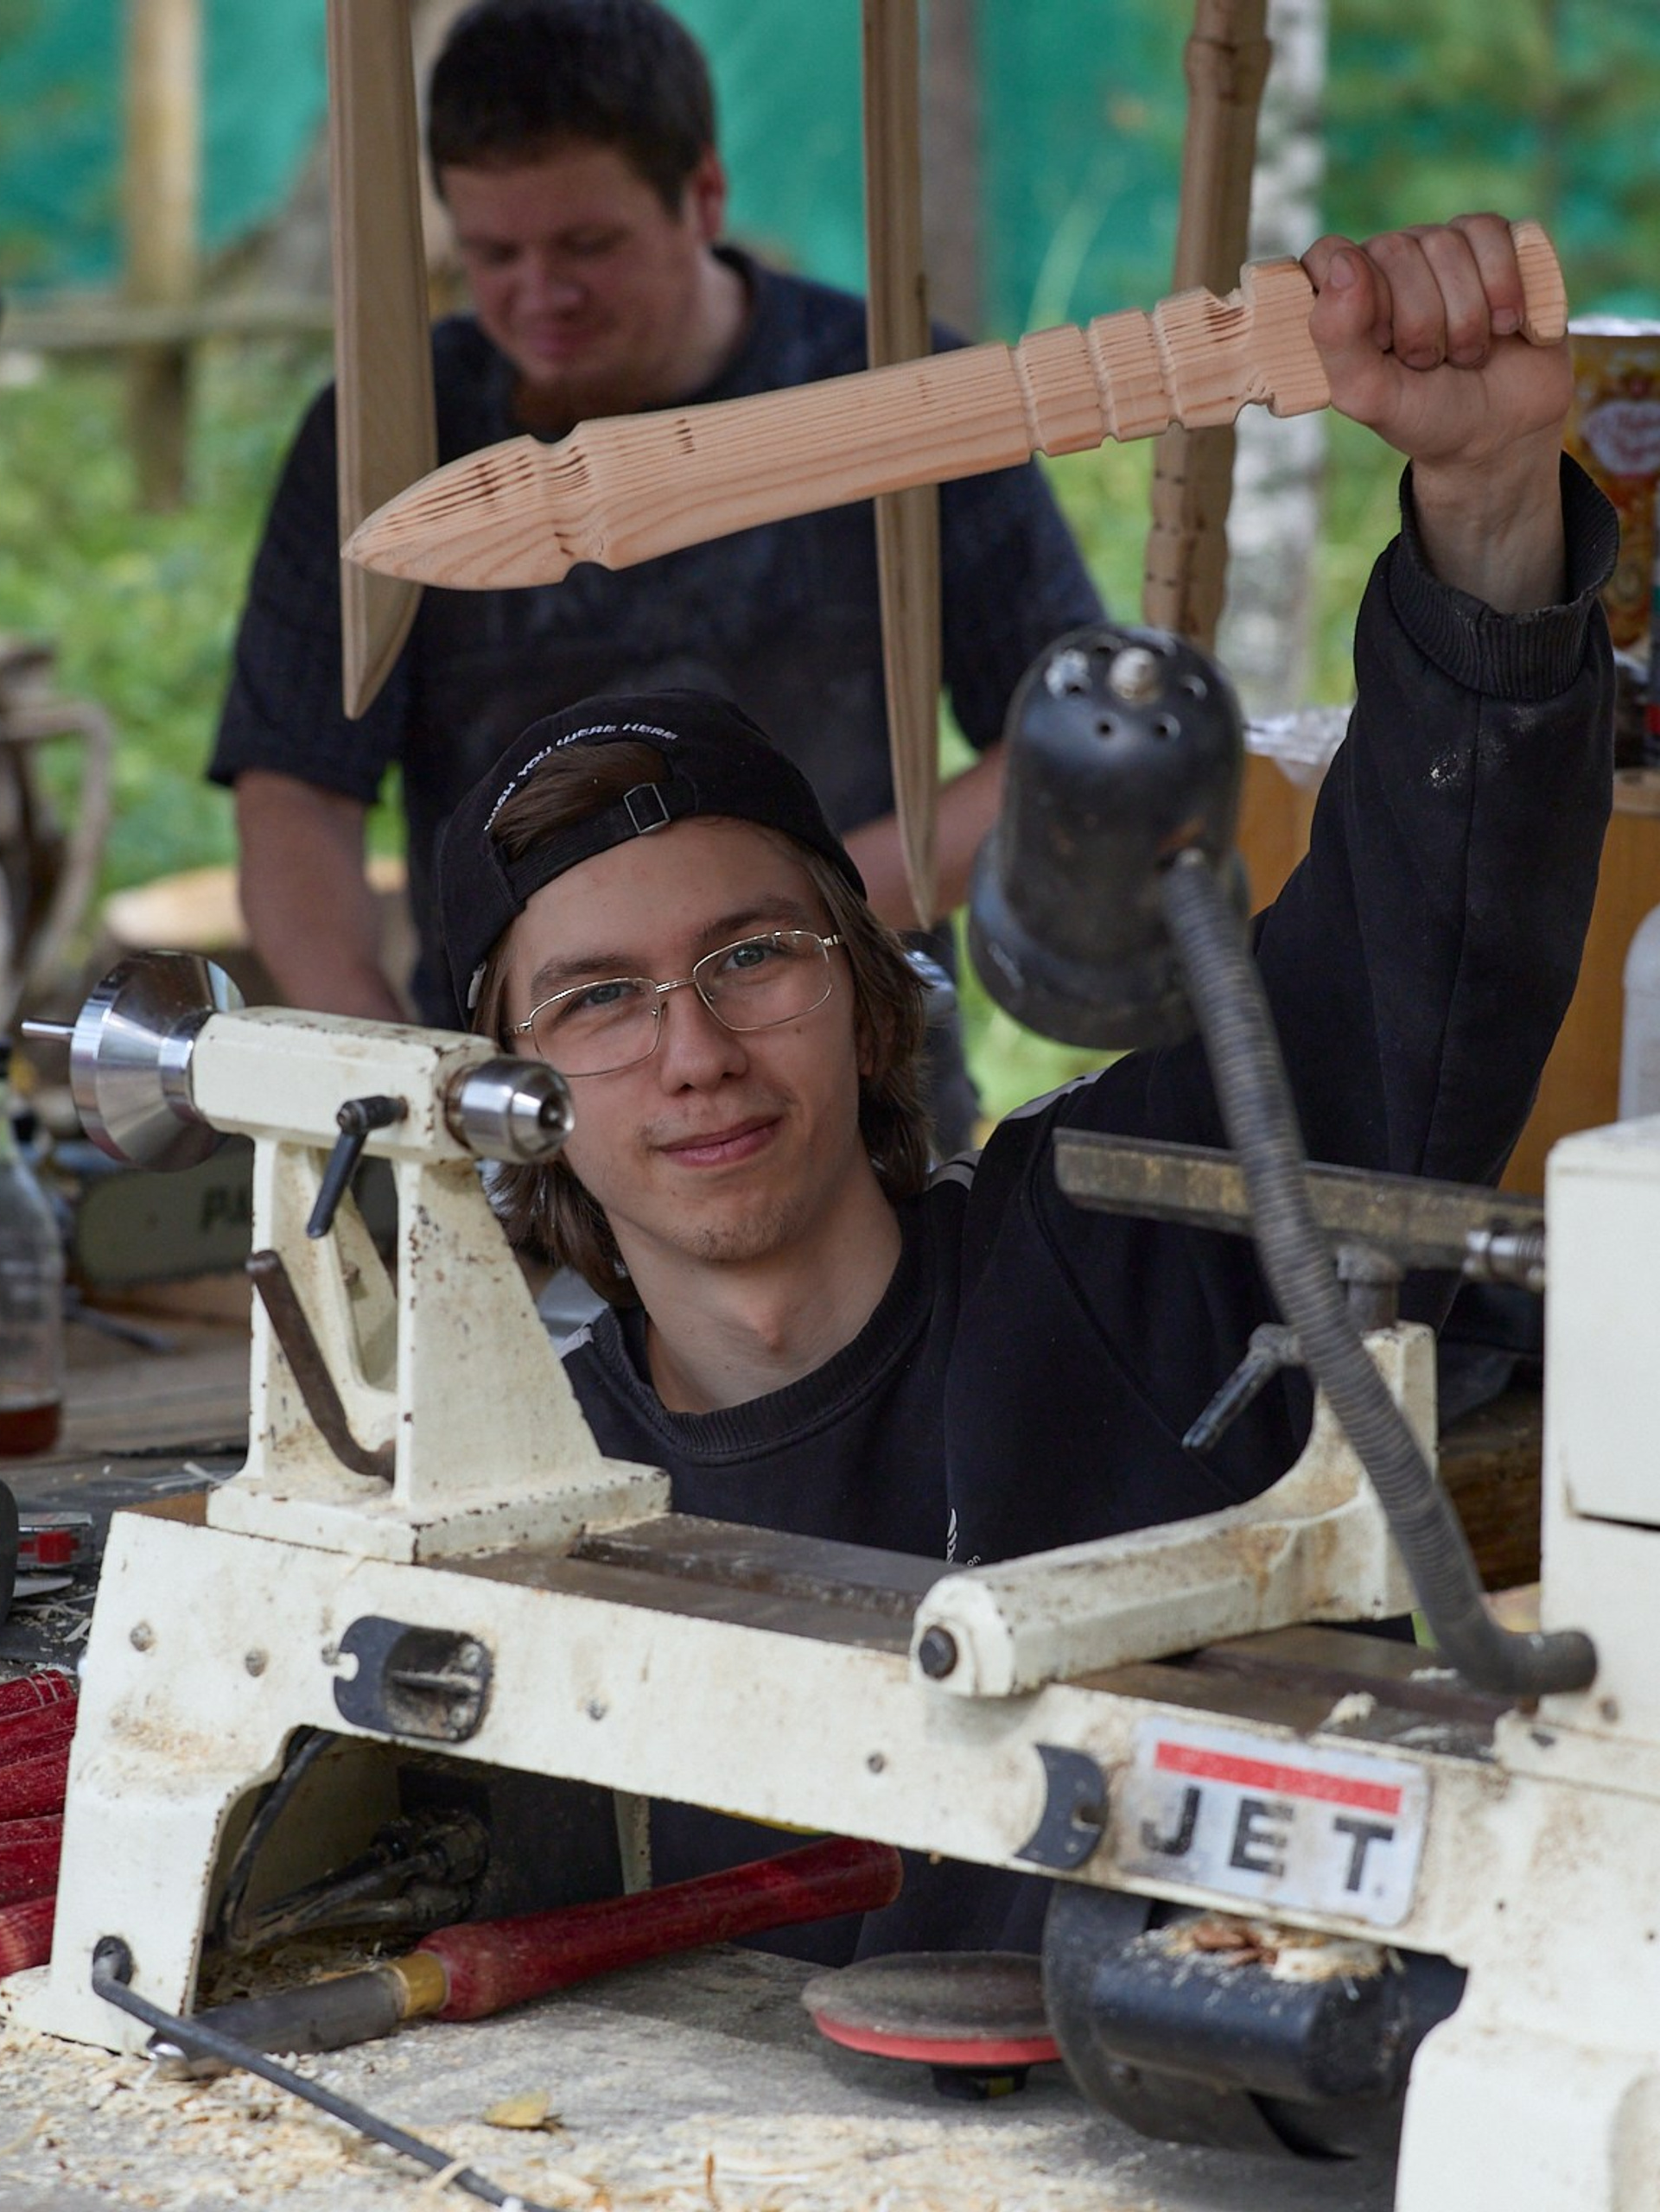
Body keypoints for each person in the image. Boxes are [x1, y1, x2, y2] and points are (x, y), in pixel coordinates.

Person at [434, 213, 1615, 1959]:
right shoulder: (499, 1500)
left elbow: (1411, 953)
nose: (691, 1051)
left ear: (862, 983)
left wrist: (1493, 493)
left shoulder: (1124, 1246)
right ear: (505, 1091)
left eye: (751, 952)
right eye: (598, 999)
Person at [210, 0, 1103, 1141]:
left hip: (857, 1081)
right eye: (493, 255)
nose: (541, 297)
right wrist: (390, 1076)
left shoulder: (901, 402)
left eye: (587, 245)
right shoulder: (384, 443)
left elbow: (1061, 741)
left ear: (706, 196)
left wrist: (775, 936)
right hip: (514, 1113)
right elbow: (294, 793)